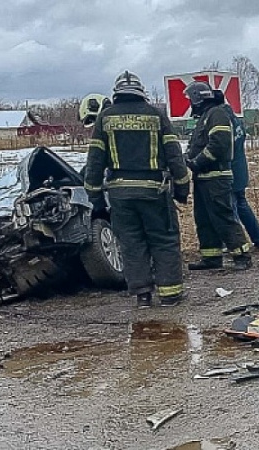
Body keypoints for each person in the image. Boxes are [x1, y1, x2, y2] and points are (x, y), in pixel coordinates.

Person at [84, 71, 191, 307]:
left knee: (131, 243)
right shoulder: (156, 115)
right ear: (141, 91)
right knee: (164, 240)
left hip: (120, 196)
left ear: (117, 92)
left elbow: (94, 162)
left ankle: (142, 295)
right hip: (155, 192)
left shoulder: (105, 118)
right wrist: (182, 188)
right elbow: (175, 157)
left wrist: (96, 198)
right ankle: (170, 294)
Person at [183, 81, 252, 270]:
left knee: (223, 217)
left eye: (191, 99)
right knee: (204, 219)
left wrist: (197, 162)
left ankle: (242, 256)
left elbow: (219, 144)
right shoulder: (206, 116)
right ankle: (211, 257)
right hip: (204, 178)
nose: (190, 104)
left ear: (198, 99)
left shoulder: (217, 114)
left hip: (216, 176)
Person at [216, 90, 259, 250]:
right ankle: (258, 239)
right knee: (242, 205)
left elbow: (221, 147)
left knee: (231, 209)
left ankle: (237, 244)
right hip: (240, 169)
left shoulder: (222, 122)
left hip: (229, 171)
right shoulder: (236, 120)